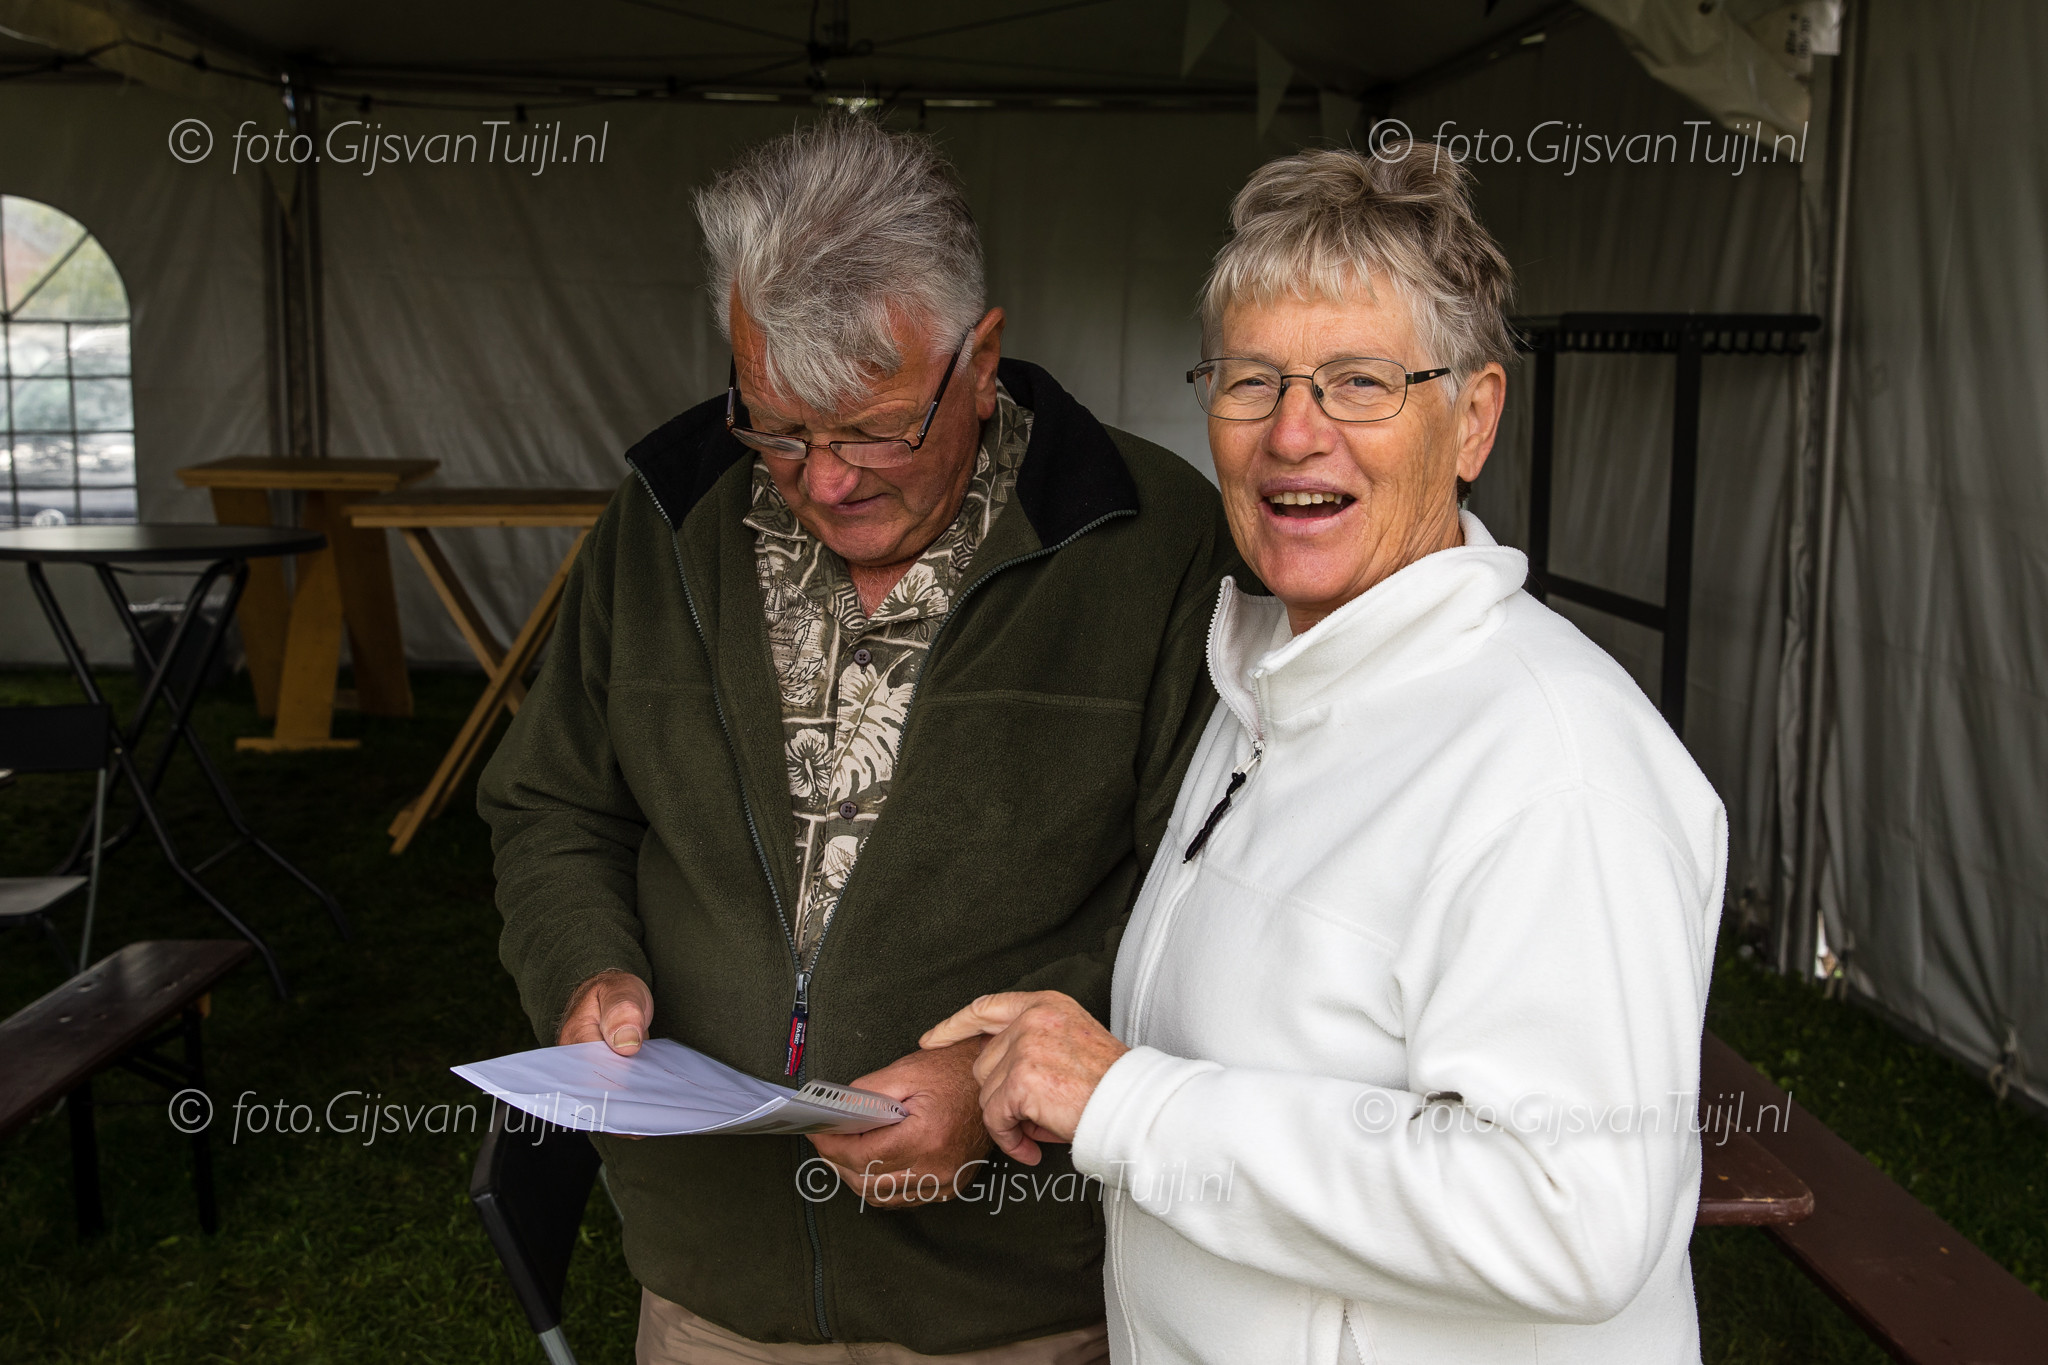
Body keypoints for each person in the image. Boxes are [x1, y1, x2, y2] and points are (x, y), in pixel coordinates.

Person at [923, 143, 1728, 1364]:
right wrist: (1083, 1054)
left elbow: (1573, 1215)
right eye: (1249, 380)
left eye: (1359, 382)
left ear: (1472, 419)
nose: (1292, 433)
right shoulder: (1266, 682)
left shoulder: (1554, 765)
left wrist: (1127, 1101)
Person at [477, 115, 1241, 1364]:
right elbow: (554, 805)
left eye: (874, 429)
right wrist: (583, 970)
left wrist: (995, 1073)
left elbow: (1213, 899)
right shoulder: (663, 518)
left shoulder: (1151, 541)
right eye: (778, 428)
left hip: (1014, 1301)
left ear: (978, 361)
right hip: (713, 1278)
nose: (824, 480)